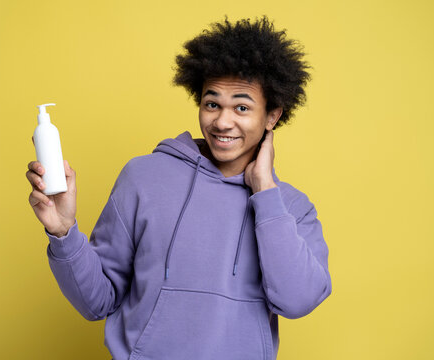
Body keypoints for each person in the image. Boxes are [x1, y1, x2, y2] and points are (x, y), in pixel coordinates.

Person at [26, 16, 332, 360]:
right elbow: (97, 301)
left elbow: (298, 300)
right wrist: (63, 232)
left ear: (272, 117)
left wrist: (264, 193)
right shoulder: (143, 177)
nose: (222, 121)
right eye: (212, 103)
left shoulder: (290, 207)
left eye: (242, 107)